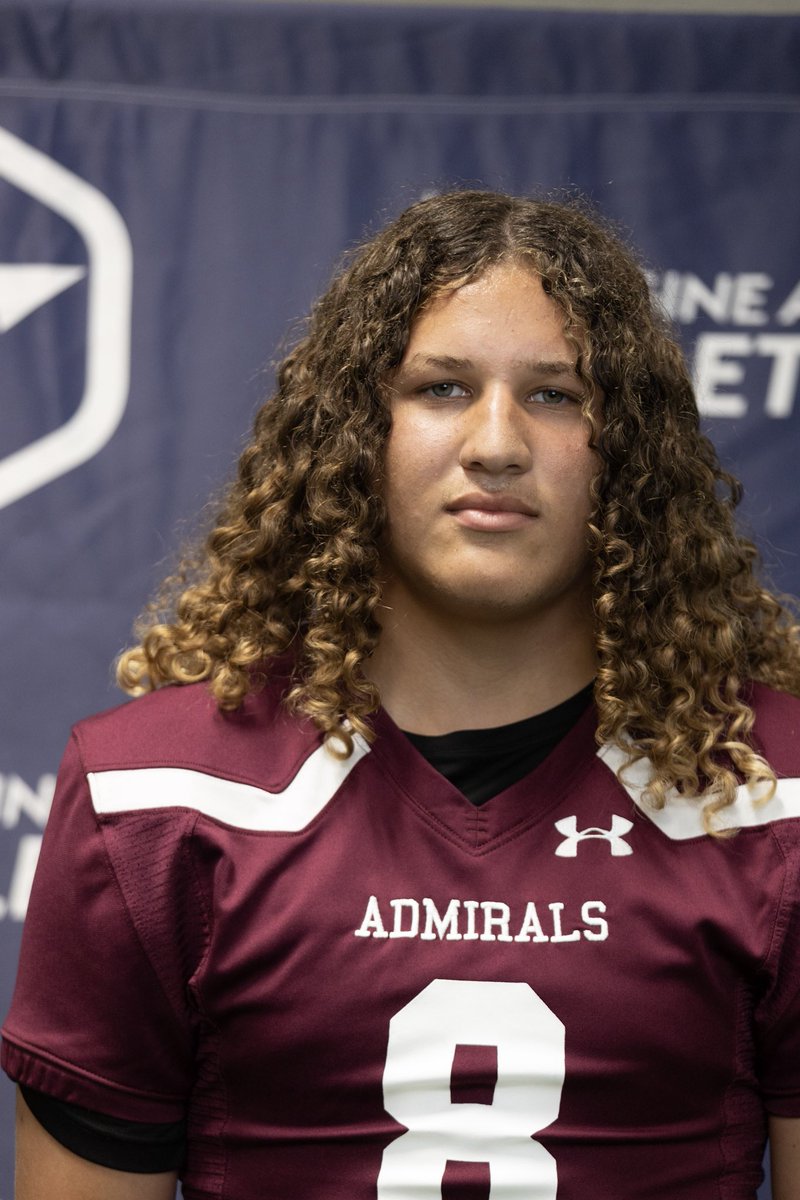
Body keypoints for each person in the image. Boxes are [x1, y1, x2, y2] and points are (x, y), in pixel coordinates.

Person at [4, 190, 800, 1200]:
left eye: (555, 394)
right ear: (352, 434)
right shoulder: (155, 801)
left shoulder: (770, 797)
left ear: (630, 452)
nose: (496, 443)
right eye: (440, 387)